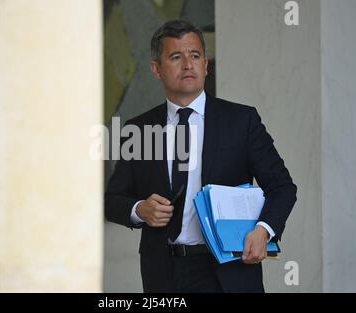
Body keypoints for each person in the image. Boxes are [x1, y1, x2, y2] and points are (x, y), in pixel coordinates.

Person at [105, 20, 297, 293]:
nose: (187, 64)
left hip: (231, 271)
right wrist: (140, 210)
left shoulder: (242, 121)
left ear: (206, 65)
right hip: (164, 274)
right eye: (175, 56)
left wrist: (263, 230)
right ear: (156, 69)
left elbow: (282, 187)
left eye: (195, 56)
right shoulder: (138, 130)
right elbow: (112, 201)